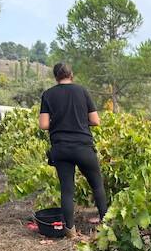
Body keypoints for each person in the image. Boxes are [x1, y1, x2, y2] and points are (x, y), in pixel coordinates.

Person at [38, 63, 107, 239]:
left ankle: (70, 231)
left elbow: (44, 124)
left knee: (67, 190)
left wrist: (60, 122)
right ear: (72, 74)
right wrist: (80, 122)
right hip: (83, 147)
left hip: (60, 149)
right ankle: (106, 225)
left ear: (55, 77)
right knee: (97, 185)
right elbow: (96, 121)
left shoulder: (48, 94)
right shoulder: (82, 91)